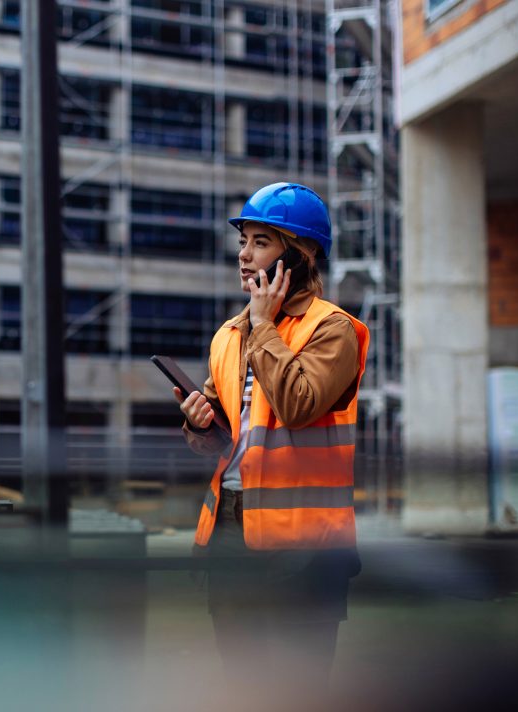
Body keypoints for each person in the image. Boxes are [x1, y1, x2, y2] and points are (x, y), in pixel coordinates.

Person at [173, 182, 369, 699]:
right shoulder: (229, 335)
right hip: (230, 532)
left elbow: (299, 406)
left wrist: (265, 326)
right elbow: (225, 443)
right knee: (242, 688)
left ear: (299, 258)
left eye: (260, 242)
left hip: (306, 545)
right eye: (243, 241)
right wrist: (198, 424)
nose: (243, 254)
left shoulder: (334, 331)